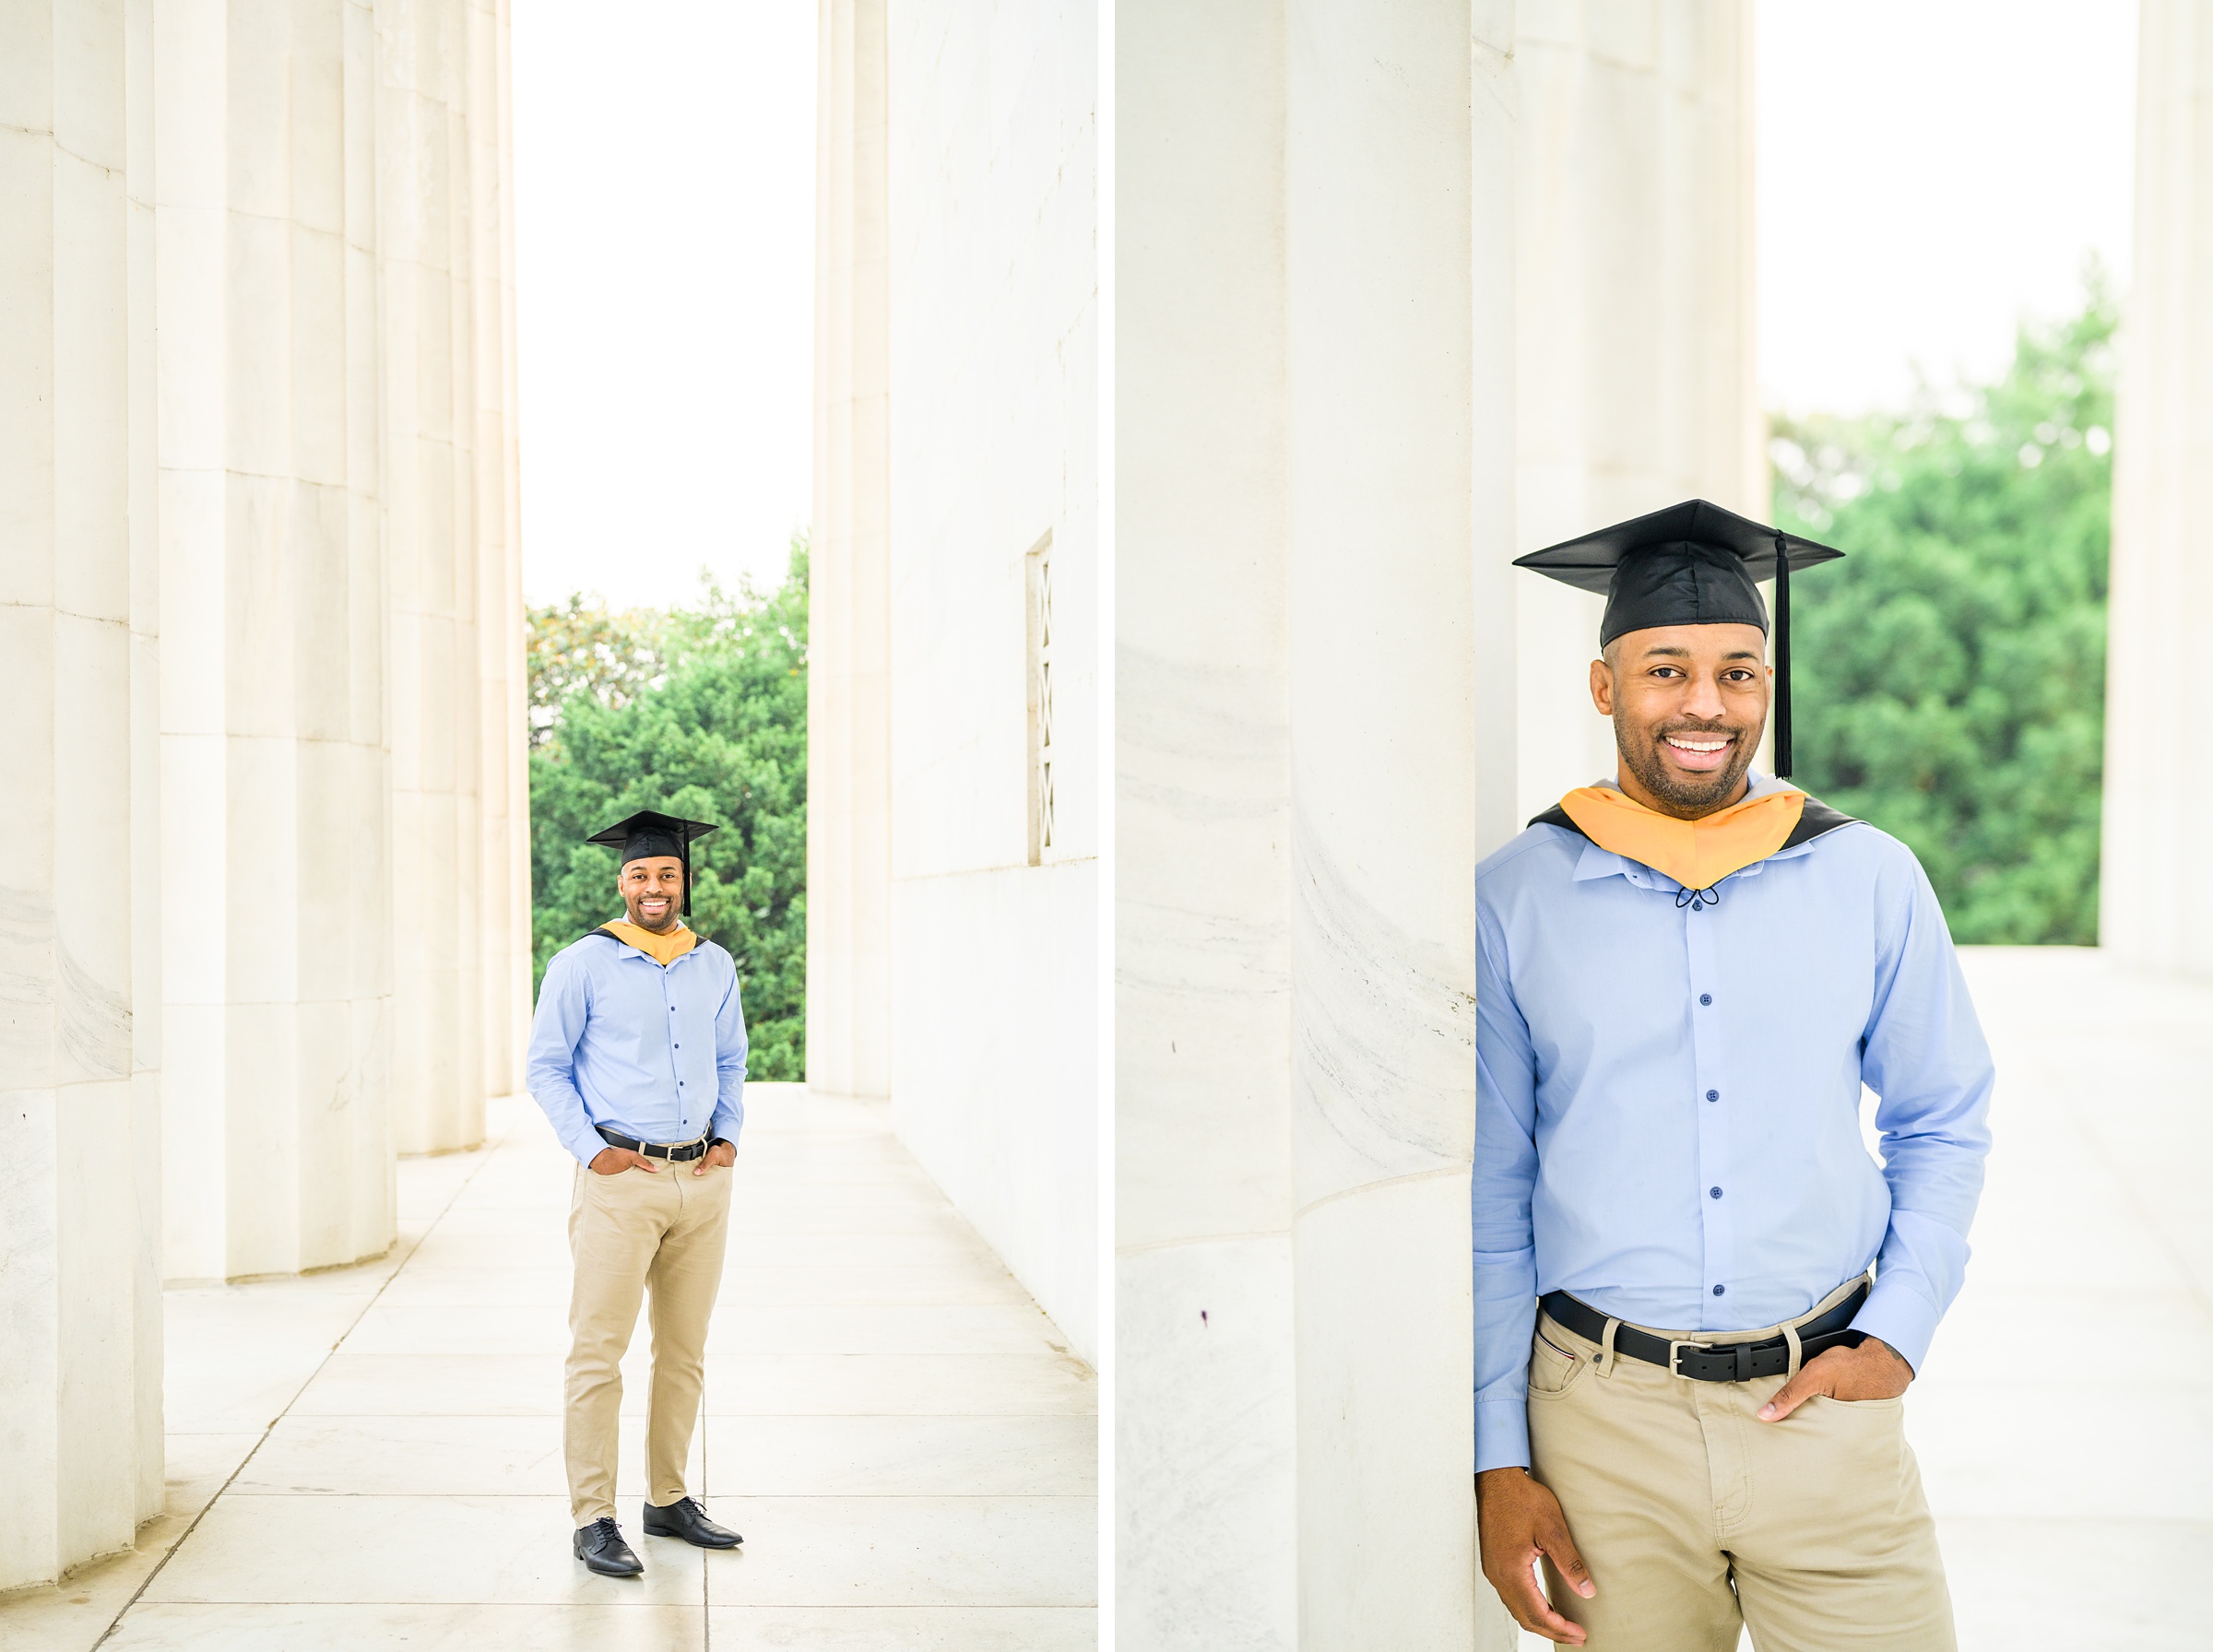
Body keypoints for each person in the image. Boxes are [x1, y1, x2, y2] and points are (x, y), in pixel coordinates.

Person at [1473, 499, 1994, 1649]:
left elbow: (1943, 1117)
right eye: (1666, 668)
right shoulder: (1516, 896)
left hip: (1825, 1417)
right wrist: (1496, 1457)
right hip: (1602, 1430)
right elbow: (1491, 1192)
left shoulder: (1869, 876)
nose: (1706, 704)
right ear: (1605, 687)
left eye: (1737, 672)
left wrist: (1897, 1333)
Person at [526, 808, 751, 1576]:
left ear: (684, 881)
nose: (654, 887)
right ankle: (593, 1517)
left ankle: (668, 1498)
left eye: (667, 875)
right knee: (599, 1354)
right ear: (621, 882)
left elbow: (732, 1060)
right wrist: (594, 1153)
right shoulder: (581, 964)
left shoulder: (712, 964)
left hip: (702, 1181)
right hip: (622, 1182)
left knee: (684, 1352)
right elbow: (546, 1067)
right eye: (641, 875)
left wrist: (728, 1139)